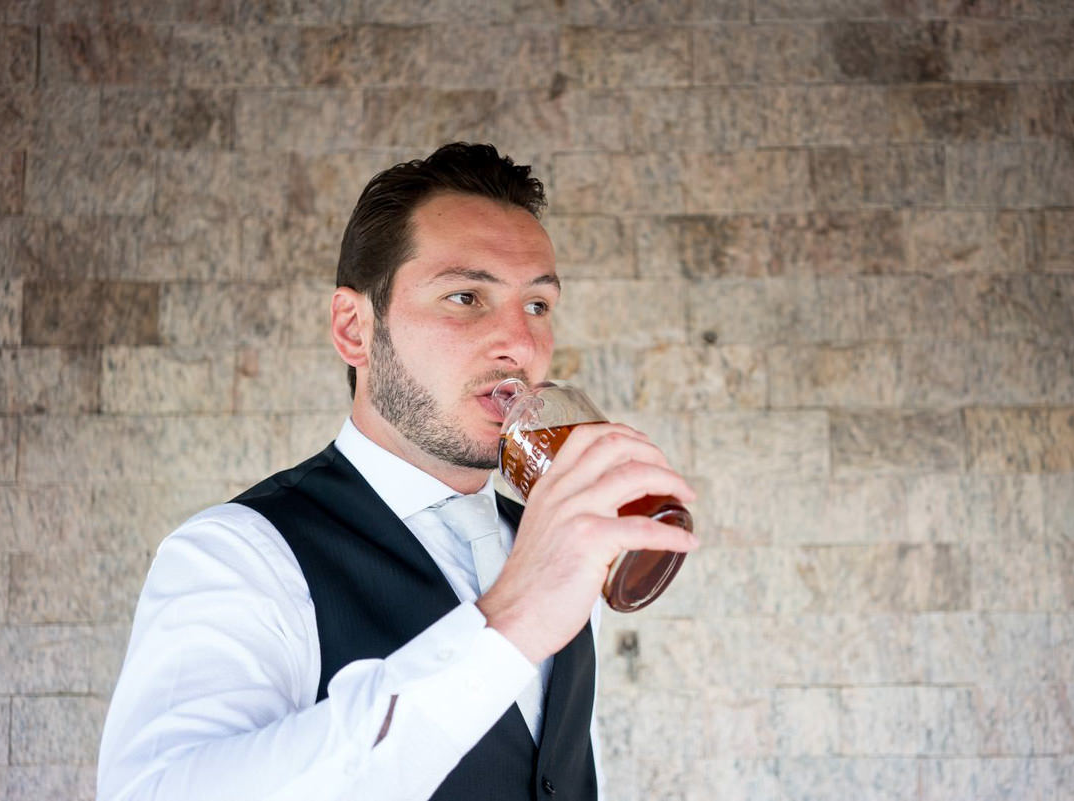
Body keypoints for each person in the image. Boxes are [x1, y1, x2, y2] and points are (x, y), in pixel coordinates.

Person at [96, 142, 699, 801]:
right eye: (466, 297)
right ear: (355, 329)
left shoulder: (560, 543)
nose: (522, 346)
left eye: (537, 306)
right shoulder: (240, 554)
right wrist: (511, 619)